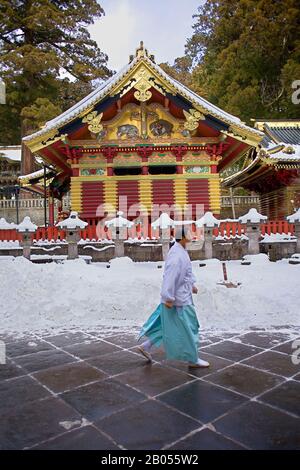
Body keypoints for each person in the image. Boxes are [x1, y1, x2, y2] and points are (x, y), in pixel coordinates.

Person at [137, 226, 210, 368]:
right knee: (190, 328)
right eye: (189, 233)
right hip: (178, 301)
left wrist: (191, 285)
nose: (191, 234)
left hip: (179, 297)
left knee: (167, 326)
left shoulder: (181, 250)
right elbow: (170, 277)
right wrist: (168, 297)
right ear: (182, 237)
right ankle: (193, 359)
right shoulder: (177, 255)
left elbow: (186, 273)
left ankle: (146, 346)